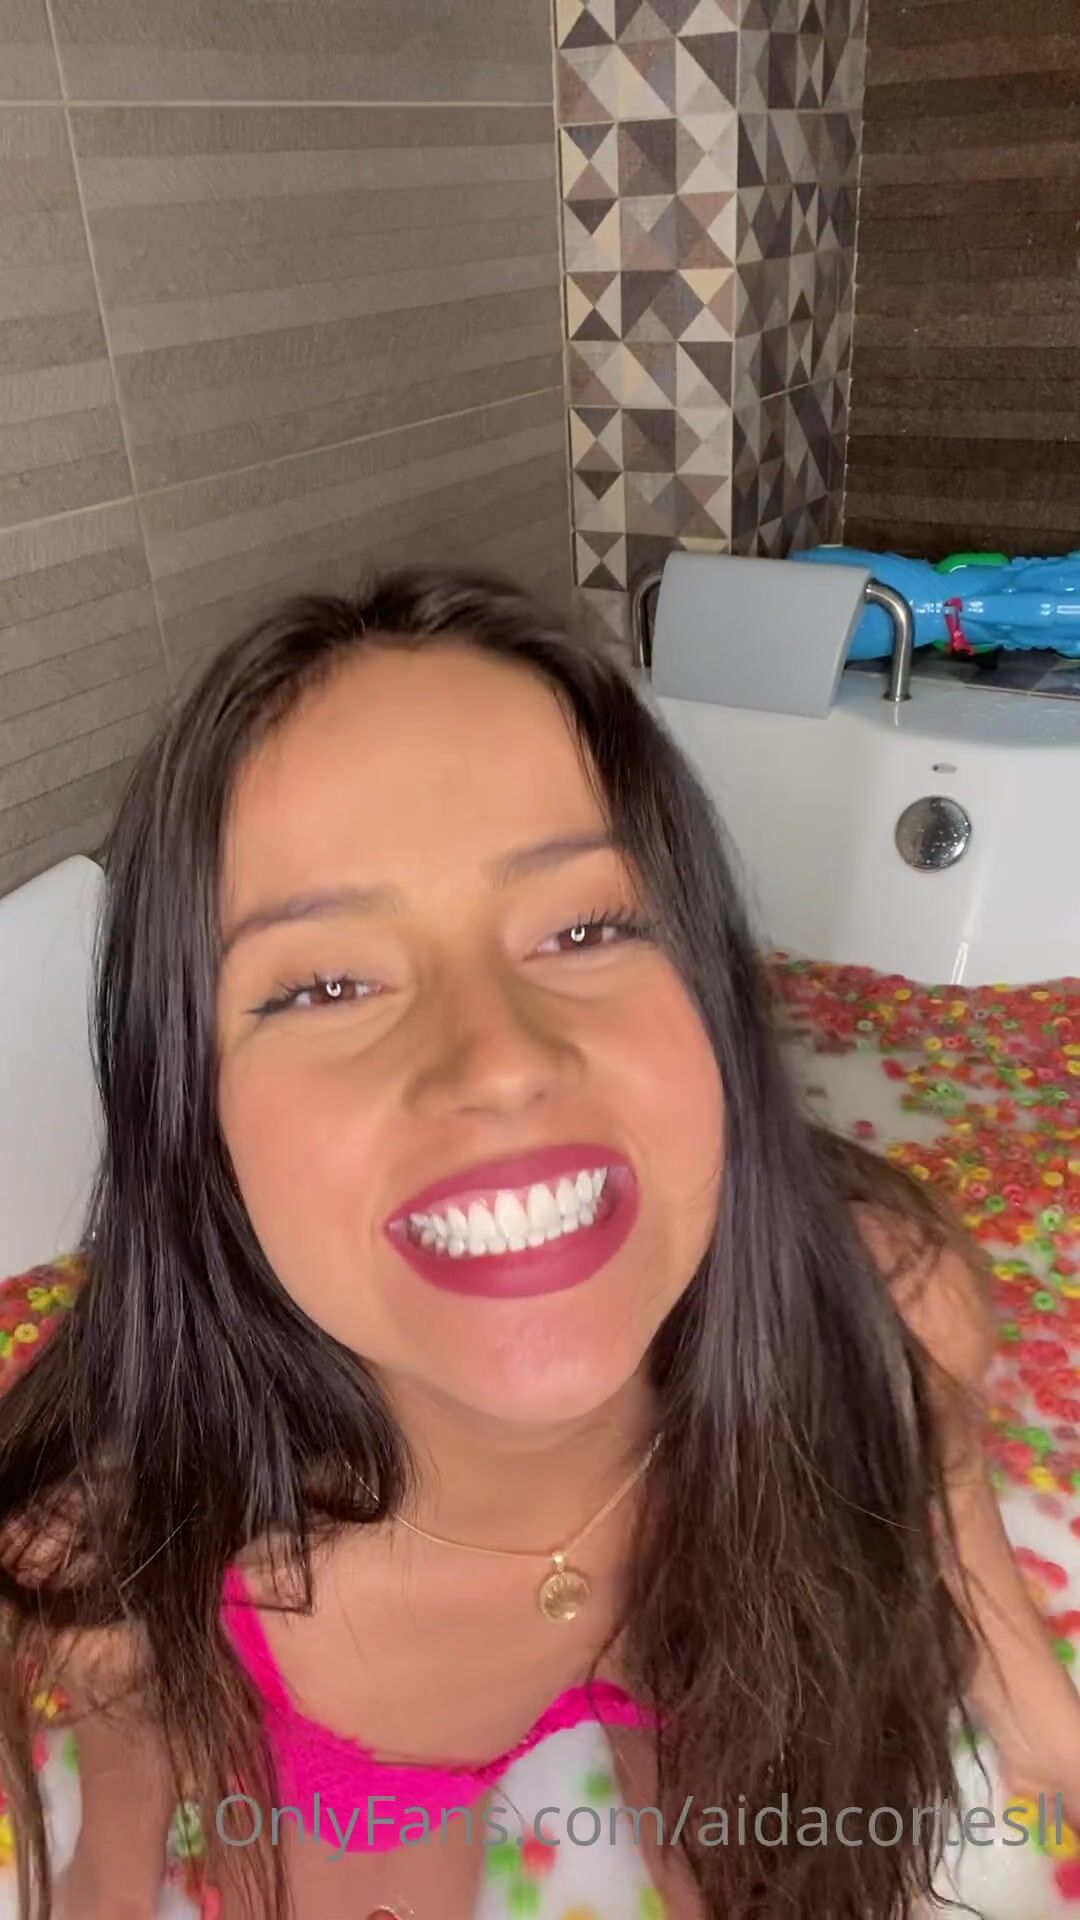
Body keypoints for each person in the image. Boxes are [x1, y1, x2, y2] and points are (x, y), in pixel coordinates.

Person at [0, 566, 1077, 1920]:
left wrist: (1040, 1718)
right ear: (189, 1122)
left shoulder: (886, 1304)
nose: (498, 1060)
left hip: (708, 1622)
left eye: (586, 926)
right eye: (326, 983)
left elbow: (942, 1494)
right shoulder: (112, 1521)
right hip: (322, 1697)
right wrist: (108, 1867)